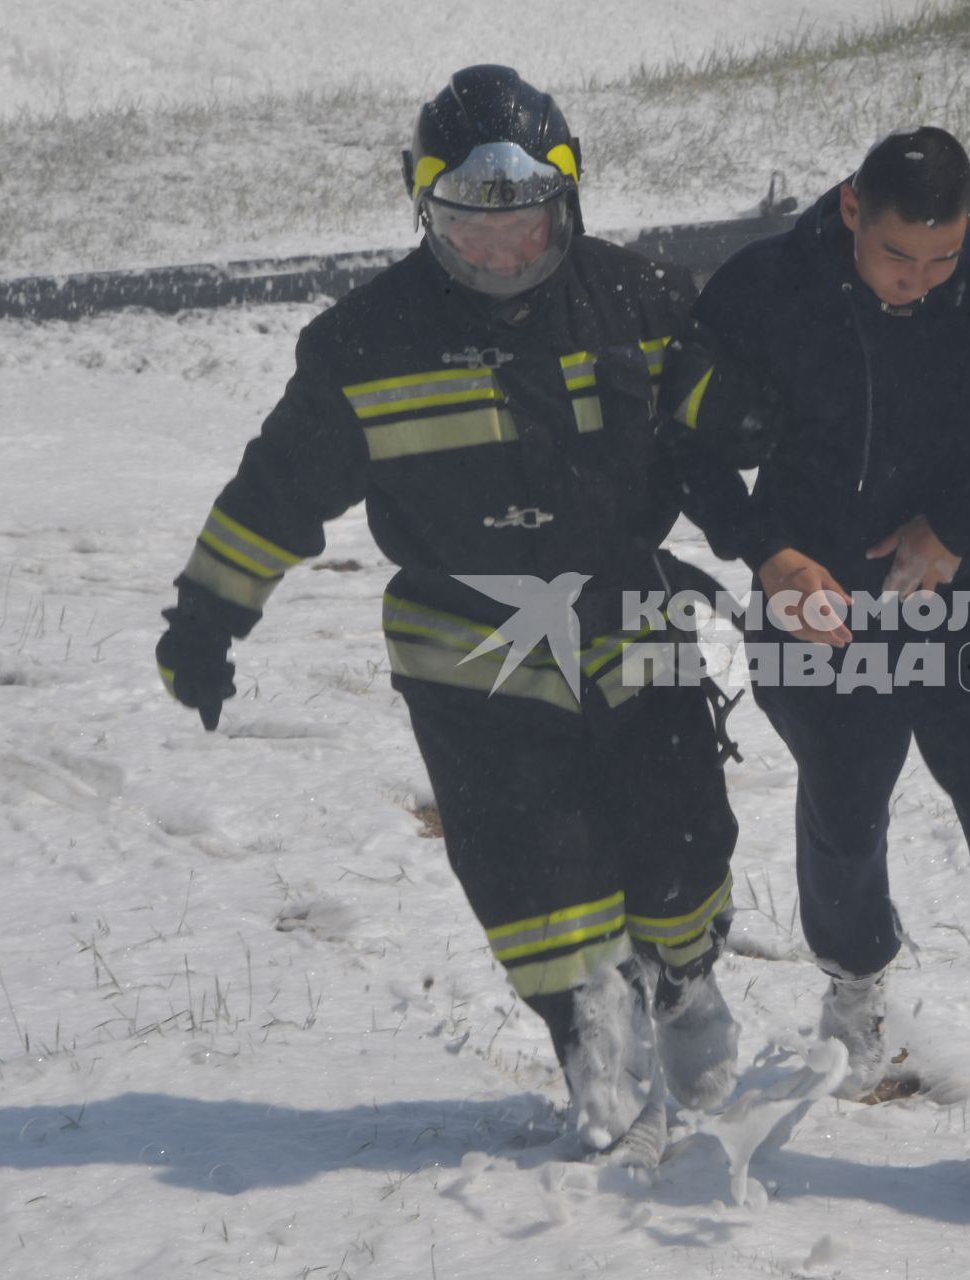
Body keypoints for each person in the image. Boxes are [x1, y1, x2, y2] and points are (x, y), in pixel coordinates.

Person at [155, 65, 741, 1167]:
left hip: (632, 621)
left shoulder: (650, 303)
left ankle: (685, 979)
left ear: (570, 203)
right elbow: (276, 489)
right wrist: (205, 616)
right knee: (534, 875)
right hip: (470, 654)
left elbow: (743, 433)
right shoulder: (362, 346)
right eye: (475, 233)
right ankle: (593, 1053)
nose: (505, 254)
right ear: (427, 216)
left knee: (679, 843)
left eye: (527, 226)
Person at [661, 127, 970, 1195]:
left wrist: (964, 526)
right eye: (897, 258)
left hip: (951, 590)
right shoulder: (767, 284)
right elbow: (676, 438)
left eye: (941, 260)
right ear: (850, 213)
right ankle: (856, 969)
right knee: (848, 798)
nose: (919, 282)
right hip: (810, 593)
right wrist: (765, 550)